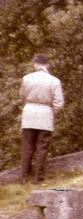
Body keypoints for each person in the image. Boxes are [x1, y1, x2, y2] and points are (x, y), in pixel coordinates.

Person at [18, 53, 64, 184]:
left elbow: (22, 97)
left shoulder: (27, 78)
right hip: (46, 115)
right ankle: (38, 178)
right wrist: (51, 113)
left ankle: (24, 178)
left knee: (27, 147)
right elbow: (58, 103)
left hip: (29, 114)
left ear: (35, 64)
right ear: (47, 65)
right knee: (42, 148)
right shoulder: (54, 81)